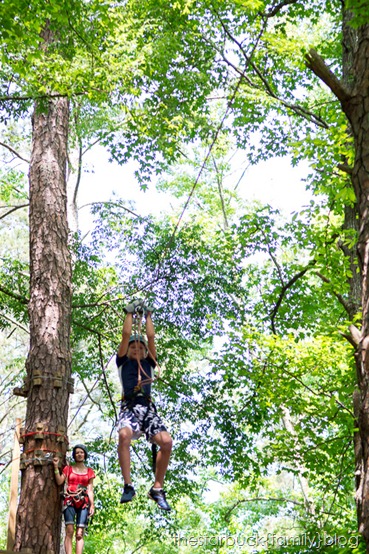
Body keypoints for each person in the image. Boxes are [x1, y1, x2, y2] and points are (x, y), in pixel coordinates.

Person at [116, 299, 172, 511]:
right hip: (129, 407)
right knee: (123, 436)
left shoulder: (149, 362)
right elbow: (125, 335)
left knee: (166, 442)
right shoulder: (123, 361)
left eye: (141, 348)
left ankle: (157, 488)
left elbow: (150, 336)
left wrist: (148, 315)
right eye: (134, 347)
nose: (137, 350)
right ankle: (128, 485)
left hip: (146, 408)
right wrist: (130, 313)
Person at [53, 444, 95, 554]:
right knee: (69, 530)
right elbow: (59, 481)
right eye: (77, 453)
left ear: (85, 454)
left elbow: (90, 490)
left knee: (80, 533)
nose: (79, 454)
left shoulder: (89, 471)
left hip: (83, 502)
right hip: (70, 500)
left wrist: (92, 505)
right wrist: (56, 468)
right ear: (74, 455)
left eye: (81, 452)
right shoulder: (68, 469)